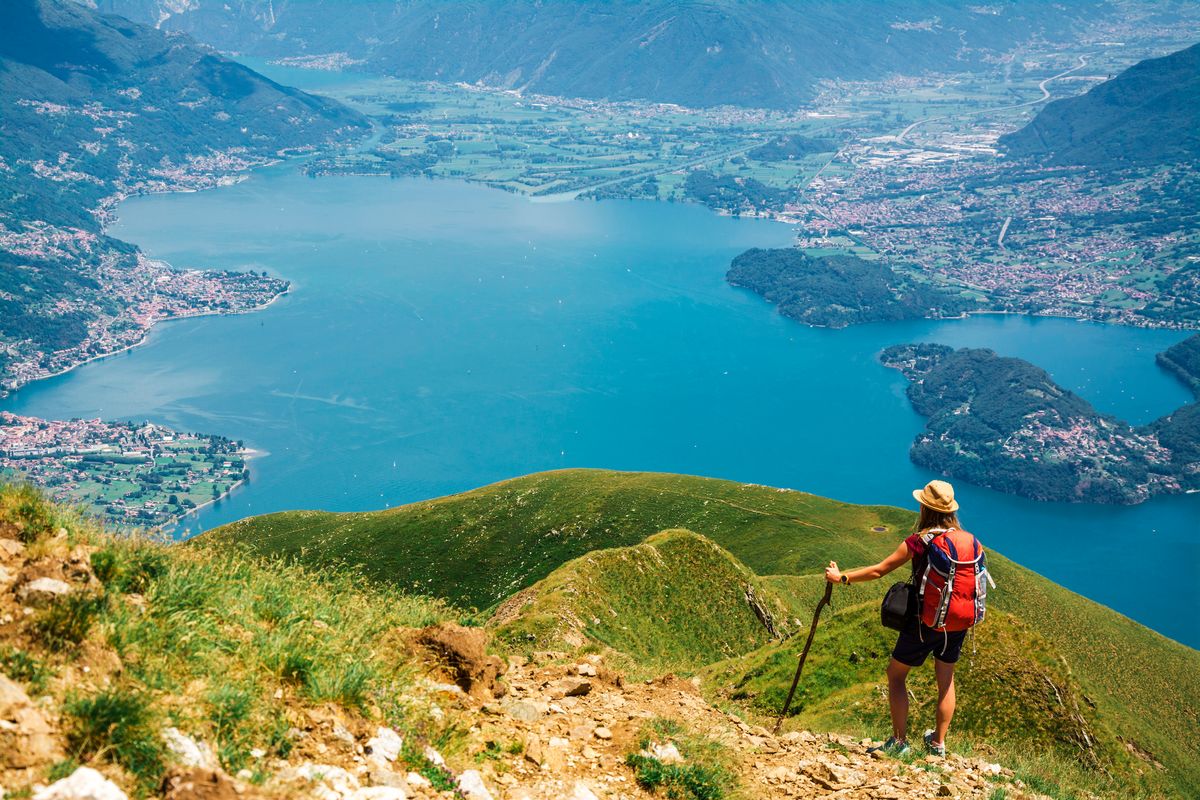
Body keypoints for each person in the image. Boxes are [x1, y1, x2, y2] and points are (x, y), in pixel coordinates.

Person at [824, 479, 970, 757]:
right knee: (946, 681)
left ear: (924, 508)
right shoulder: (965, 541)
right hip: (956, 622)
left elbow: (879, 570)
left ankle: (900, 742)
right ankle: (938, 744)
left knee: (896, 675)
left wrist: (841, 577)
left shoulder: (920, 541)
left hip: (923, 622)